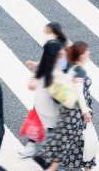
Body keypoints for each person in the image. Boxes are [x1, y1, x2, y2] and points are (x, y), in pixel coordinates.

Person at [40, 42, 99, 171]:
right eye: (87, 52)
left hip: (70, 109)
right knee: (69, 141)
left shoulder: (68, 65)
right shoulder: (79, 70)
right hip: (75, 112)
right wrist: (85, 111)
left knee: (83, 140)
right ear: (81, 55)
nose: (89, 54)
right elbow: (79, 92)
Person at [19, 23, 66, 158]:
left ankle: (47, 152)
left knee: (44, 119)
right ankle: (46, 150)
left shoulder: (53, 47)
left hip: (49, 91)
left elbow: (47, 64)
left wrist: (35, 77)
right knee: (46, 119)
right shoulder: (60, 47)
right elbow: (48, 63)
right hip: (53, 91)